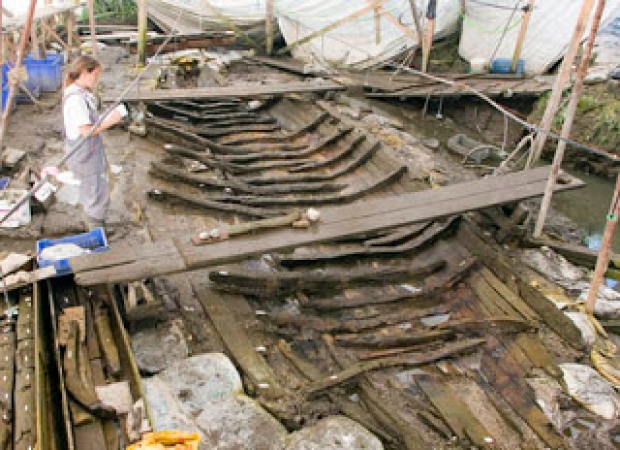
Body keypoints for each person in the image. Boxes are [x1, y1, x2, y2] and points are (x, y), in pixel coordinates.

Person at [62, 55, 127, 230]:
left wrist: (107, 115)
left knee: (97, 188)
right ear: (84, 72)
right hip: (84, 154)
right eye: (95, 75)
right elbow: (86, 130)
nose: (97, 80)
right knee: (94, 192)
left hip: (89, 151)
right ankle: (96, 230)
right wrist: (112, 120)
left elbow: (91, 120)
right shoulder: (75, 100)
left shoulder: (82, 93)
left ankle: (97, 223)